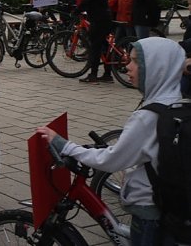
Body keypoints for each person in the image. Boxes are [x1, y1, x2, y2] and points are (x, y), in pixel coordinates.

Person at [37, 37, 187, 246]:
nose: (127, 67)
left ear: (156, 69)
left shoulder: (149, 116)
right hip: (171, 207)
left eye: (135, 61)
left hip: (149, 211)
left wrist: (66, 146)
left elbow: (112, 160)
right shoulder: (178, 103)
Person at [78, 0, 114, 83]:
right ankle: (107, 74)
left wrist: (77, 10)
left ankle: (93, 75)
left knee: (95, 47)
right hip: (100, 17)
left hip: (99, 19)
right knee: (104, 46)